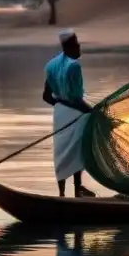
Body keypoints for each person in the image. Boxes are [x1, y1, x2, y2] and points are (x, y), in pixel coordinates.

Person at [43, 29, 95, 197]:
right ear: (69, 47)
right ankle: (77, 191)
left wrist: (59, 104)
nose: (79, 47)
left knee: (61, 152)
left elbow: (46, 96)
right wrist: (93, 112)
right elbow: (76, 100)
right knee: (76, 151)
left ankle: (61, 194)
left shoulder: (52, 64)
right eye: (76, 44)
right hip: (74, 113)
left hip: (59, 114)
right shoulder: (74, 66)